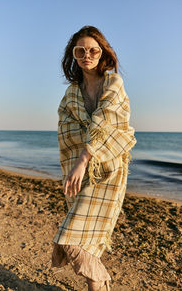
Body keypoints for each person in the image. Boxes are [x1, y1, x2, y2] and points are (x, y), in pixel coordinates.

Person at [51, 25, 136, 291]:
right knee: (83, 239)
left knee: (71, 239)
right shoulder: (71, 94)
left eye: (93, 50)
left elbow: (108, 122)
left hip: (108, 171)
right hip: (79, 173)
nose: (87, 54)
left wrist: (85, 157)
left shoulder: (113, 83)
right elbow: (66, 130)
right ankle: (98, 285)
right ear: (73, 56)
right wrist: (84, 154)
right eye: (80, 50)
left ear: (102, 54)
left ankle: (98, 281)